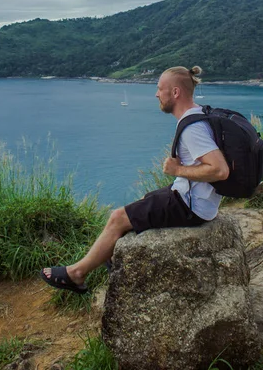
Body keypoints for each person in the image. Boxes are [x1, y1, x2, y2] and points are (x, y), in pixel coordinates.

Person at [40, 65, 229, 294]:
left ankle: (76, 274)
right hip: (193, 197)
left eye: (160, 89)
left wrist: (177, 169)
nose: (156, 94)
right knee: (142, 201)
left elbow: (220, 171)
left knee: (117, 217)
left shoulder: (193, 128)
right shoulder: (199, 114)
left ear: (176, 93)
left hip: (191, 206)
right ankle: (113, 255)